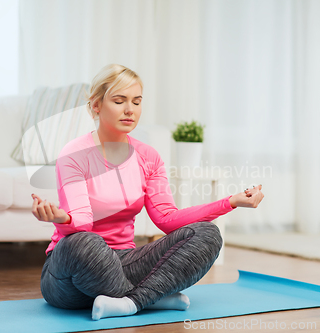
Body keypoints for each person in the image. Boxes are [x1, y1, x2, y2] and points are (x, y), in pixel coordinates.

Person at [31, 64, 264, 321]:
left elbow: (167, 218)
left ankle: (130, 302)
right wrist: (62, 219)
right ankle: (148, 298)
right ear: (96, 105)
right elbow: (83, 223)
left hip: (124, 263)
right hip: (70, 276)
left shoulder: (148, 156)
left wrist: (230, 201)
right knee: (84, 243)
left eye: (137, 101)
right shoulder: (74, 154)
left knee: (208, 233)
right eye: (119, 101)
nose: (130, 110)